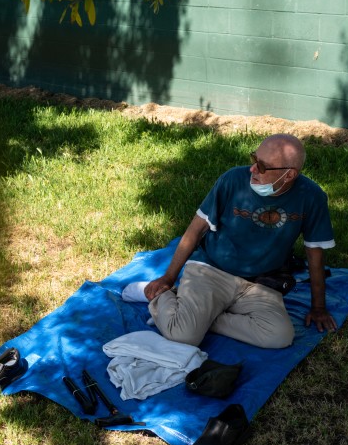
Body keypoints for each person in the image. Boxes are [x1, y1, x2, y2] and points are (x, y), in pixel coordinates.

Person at [143, 133, 337, 349]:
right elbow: (196, 229)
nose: (252, 169)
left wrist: (318, 307)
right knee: (183, 336)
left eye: (262, 166)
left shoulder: (311, 196)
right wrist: (168, 278)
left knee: (280, 336)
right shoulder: (233, 179)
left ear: (289, 175)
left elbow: (315, 252)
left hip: (261, 282)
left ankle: (202, 317)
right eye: (254, 159)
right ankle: (164, 298)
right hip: (212, 270)